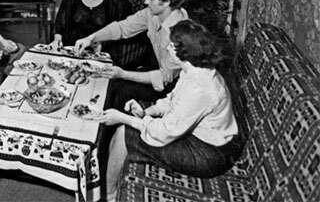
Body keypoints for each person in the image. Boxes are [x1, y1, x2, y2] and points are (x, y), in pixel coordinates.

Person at [97, 20, 240, 201]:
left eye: (172, 45)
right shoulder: (194, 69)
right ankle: (108, 191)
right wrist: (146, 112)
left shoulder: (200, 88)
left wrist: (122, 118)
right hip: (202, 138)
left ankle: (109, 196)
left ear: (185, 52)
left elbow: (163, 132)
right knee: (123, 130)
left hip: (210, 154)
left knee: (125, 132)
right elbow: (172, 100)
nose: (167, 48)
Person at [74, 0, 188, 107]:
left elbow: (165, 77)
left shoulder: (180, 33)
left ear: (166, 2)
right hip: (158, 71)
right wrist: (91, 38)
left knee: (119, 88)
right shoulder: (152, 13)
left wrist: (123, 74)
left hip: (175, 88)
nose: (146, 2)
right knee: (111, 81)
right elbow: (122, 27)